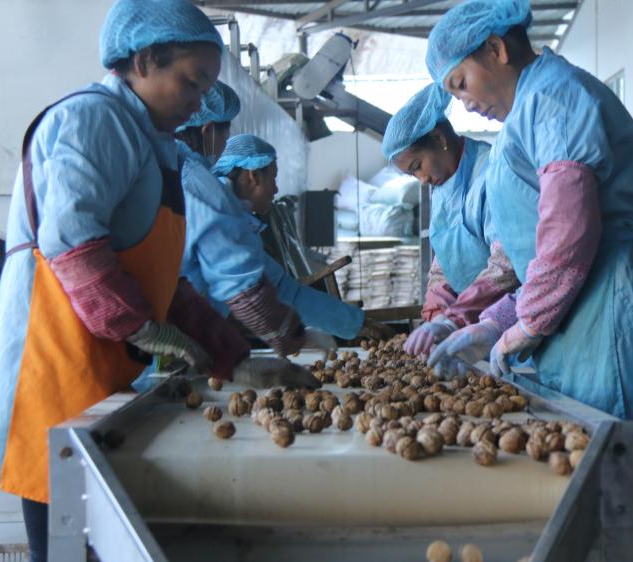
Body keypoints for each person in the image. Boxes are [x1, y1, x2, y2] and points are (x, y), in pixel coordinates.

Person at [0, 2, 315, 562]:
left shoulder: (158, 148)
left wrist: (232, 355)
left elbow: (165, 283)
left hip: (103, 383)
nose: (197, 101)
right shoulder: (91, 120)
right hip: (54, 379)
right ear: (141, 62)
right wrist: (143, 329)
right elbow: (72, 245)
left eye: (206, 86)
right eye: (189, 81)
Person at [424, 0, 633, 562]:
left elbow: (570, 232)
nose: (463, 106)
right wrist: (495, 321)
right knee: (600, 522)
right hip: (584, 310)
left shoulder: (554, 95)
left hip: (610, 315)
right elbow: (530, 251)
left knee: (613, 518)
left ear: (496, 50)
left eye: (460, 83)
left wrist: (528, 324)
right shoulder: (533, 108)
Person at [179, 132, 392, 355]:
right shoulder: (217, 210)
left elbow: (284, 290)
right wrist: (292, 338)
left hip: (193, 341)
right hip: (172, 337)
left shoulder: (239, 222)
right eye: (273, 176)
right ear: (253, 176)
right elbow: (246, 290)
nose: (276, 189)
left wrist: (355, 323)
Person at [382, 83, 518, 359]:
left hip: (508, 323)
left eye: (417, 166)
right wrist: (435, 314)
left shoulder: (492, 174)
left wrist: (452, 319)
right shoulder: (443, 186)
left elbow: (506, 266)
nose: (421, 179)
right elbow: (446, 259)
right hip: (467, 327)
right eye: (412, 175)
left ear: (438, 138)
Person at [175, 79, 240, 162]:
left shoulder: (163, 159)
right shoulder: (196, 173)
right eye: (225, 139)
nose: (225, 148)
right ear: (208, 129)